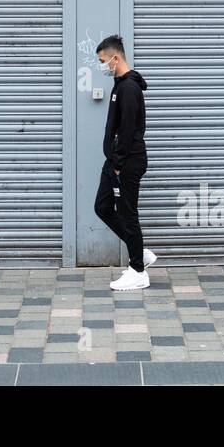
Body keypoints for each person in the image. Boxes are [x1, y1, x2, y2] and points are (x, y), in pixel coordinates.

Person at [94, 35, 155, 291]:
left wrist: (118, 163)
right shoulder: (120, 86)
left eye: (102, 60)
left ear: (115, 58)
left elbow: (128, 130)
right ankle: (139, 252)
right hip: (117, 160)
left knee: (128, 213)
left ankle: (138, 270)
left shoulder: (129, 88)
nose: (101, 65)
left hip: (127, 162)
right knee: (103, 207)